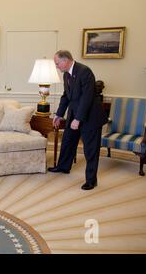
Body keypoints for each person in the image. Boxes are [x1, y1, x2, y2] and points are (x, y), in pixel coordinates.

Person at [49, 50, 107, 190]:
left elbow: (86, 98)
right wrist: (58, 114)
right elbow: (66, 96)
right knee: (68, 141)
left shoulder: (85, 72)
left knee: (90, 150)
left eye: (57, 63)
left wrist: (78, 119)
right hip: (74, 114)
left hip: (90, 117)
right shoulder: (66, 75)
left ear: (65, 60)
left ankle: (91, 180)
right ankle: (63, 167)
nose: (57, 67)